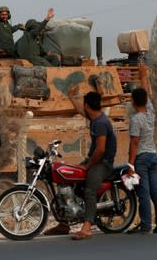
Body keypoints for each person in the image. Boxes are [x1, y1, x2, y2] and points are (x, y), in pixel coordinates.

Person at [46, 88, 116, 239]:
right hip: (94, 160)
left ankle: (87, 227)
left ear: (88, 106)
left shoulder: (101, 123)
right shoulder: (95, 118)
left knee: (89, 190)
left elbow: (101, 149)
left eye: (84, 105)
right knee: (71, 180)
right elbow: (81, 111)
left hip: (103, 164)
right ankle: (65, 223)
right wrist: (71, 97)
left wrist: (87, 166)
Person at [126, 64, 157, 235]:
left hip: (141, 158)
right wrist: (144, 76)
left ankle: (145, 224)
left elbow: (134, 143)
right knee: (156, 191)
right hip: (153, 156)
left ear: (134, 102)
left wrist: (131, 165)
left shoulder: (136, 119)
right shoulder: (150, 112)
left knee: (143, 192)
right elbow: (147, 93)